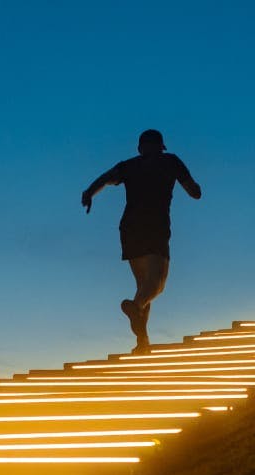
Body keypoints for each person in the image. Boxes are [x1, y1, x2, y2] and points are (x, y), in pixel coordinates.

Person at [81, 129, 201, 353]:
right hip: (155, 228)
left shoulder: (129, 166)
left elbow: (105, 179)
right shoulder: (170, 161)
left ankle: (142, 341)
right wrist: (195, 189)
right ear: (161, 147)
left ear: (139, 148)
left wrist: (89, 193)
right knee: (157, 284)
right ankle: (134, 306)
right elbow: (194, 191)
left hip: (129, 229)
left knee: (143, 286)